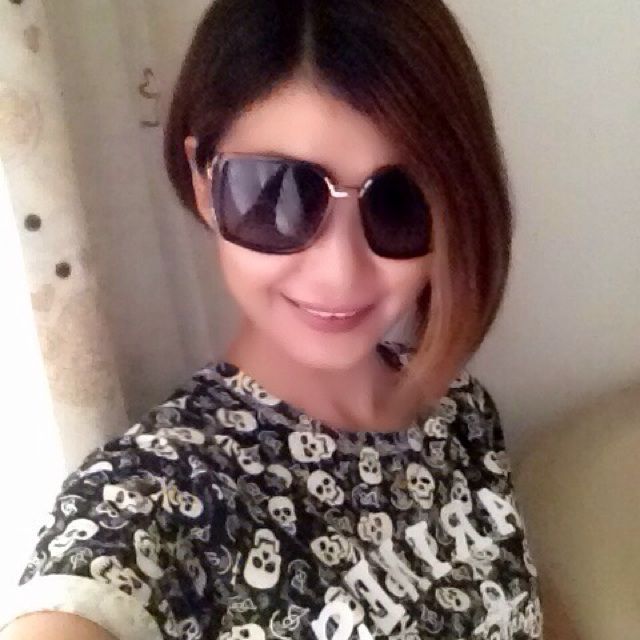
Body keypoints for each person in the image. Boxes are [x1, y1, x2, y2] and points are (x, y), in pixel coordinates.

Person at [0, 1, 551, 639]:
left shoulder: (459, 408)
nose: (340, 272)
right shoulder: (159, 501)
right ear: (203, 183)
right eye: (278, 193)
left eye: (401, 203)